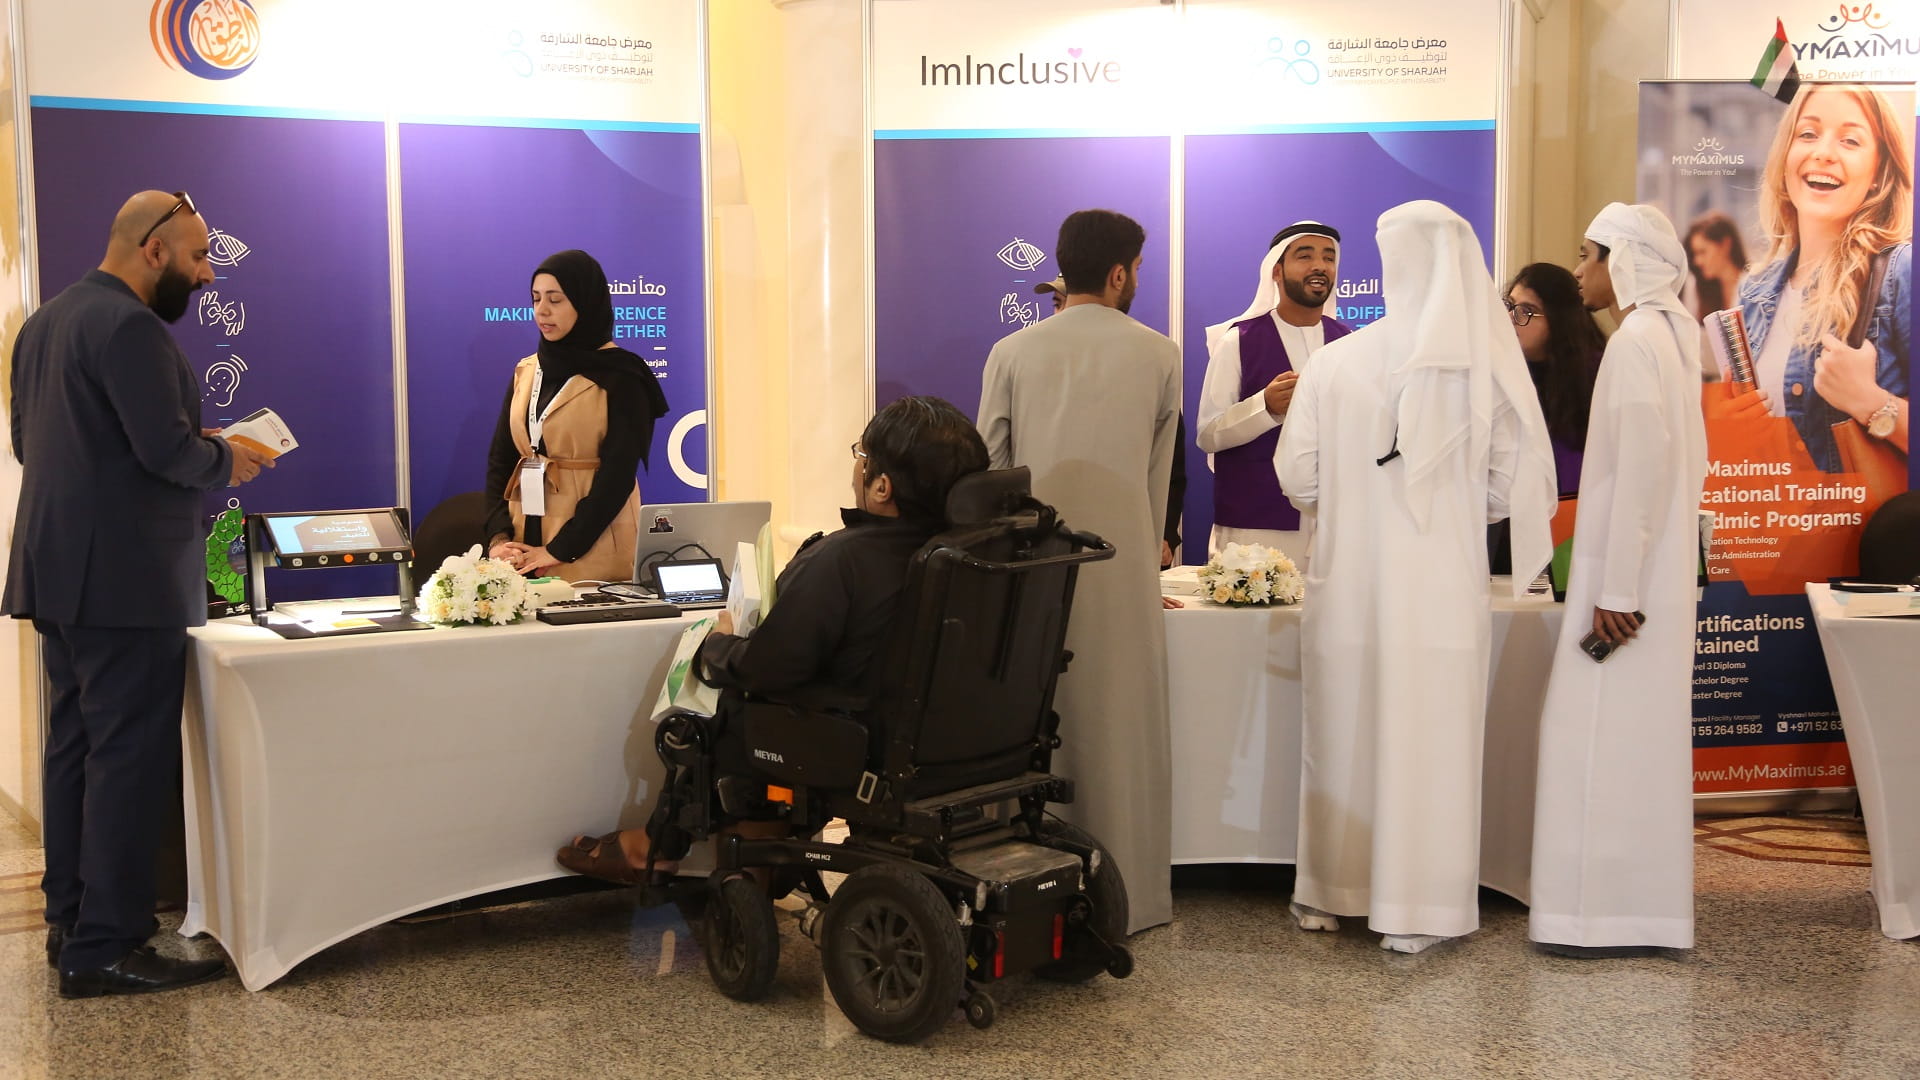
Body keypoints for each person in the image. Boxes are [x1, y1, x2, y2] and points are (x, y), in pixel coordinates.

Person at [5, 190, 276, 996]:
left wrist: (189, 442)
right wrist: (227, 458)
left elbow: (31, 443)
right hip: (124, 580)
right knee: (126, 757)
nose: (207, 274)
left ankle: (71, 923)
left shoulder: (46, 323)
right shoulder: (130, 327)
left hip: (60, 572)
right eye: (198, 257)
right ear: (154, 250)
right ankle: (109, 944)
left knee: (74, 749)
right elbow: (163, 454)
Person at [1275, 200, 1556, 954]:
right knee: (1431, 741)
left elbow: (1297, 478)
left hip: (1350, 591)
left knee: (1344, 736)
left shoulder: (1336, 361)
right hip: (1440, 594)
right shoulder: (1484, 372)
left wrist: (1357, 501)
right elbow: (1510, 492)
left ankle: (1329, 894)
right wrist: (1446, 507)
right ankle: (1420, 910)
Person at [557, 396, 989, 880]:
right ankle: (759, 852)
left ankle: (659, 848)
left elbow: (770, 668)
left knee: (719, 709)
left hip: (854, 740)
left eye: (862, 456)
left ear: (882, 486)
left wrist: (718, 647)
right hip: (956, 738)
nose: (857, 466)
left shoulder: (843, 559)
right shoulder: (976, 557)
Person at [979, 208, 1182, 933]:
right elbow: (1157, 479)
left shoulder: (1011, 352)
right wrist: (1145, 560)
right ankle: (1132, 894)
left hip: (1032, 567)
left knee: (1030, 716)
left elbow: (991, 472)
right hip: (1122, 567)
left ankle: (1018, 882)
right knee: (1122, 724)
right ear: (1121, 273)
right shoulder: (1161, 354)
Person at [1530, 203, 1709, 956]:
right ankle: (1639, 910)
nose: (1579, 271)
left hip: (1625, 585)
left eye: (1589, 254)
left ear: (1623, 261)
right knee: (1637, 744)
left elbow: (1640, 473)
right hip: (1652, 574)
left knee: (1594, 741)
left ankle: (1590, 916)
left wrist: (1618, 592)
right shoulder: (1668, 337)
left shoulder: (1638, 342)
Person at [1716, 84, 1910, 471]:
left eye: (1850, 140)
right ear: (1786, 156)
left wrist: (1870, 401)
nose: (1823, 152)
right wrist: (1730, 430)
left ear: (1878, 172)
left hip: (1873, 514)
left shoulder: (1901, 272)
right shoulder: (1753, 291)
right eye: (1808, 133)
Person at [483, 250, 669, 582]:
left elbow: (617, 477)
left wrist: (561, 549)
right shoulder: (527, 370)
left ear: (585, 303)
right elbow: (501, 459)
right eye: (536, 298)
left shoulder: (623, 376)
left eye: (555, 299)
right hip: (523, 541)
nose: (542, 310)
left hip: (592, 541)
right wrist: (499, 538)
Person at [1197, 222, 1351, 567]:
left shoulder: (1349, 343)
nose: (1319, 266)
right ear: (1276, 271)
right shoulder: (1238, 341)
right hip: (1257, 528)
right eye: (1305, 256)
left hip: (1335, 524)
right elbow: (1207, 434)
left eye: (1328, 258)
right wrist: (1264, 407)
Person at [1039, 274, 1188, 571]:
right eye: (1056, 304)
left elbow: (1170, 469)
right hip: (1047, 542)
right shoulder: (1029, 371)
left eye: (1067, 304)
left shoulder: (1147, 374)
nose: (1061, 315)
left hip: (1125, 541)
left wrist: (1165, 533)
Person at [1505, 263, 1604, 494]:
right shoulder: (1506, 372)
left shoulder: (1593, 376)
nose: (1510, 318)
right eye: (1509, 305)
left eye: (1526, 311)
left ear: (1559, 321)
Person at [1683, 211, 1748, 320]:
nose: (1697, 261)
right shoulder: (1698, 290)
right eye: (1695, 254)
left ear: (1726, 244)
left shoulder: (1751, 288)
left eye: (1702, 252)